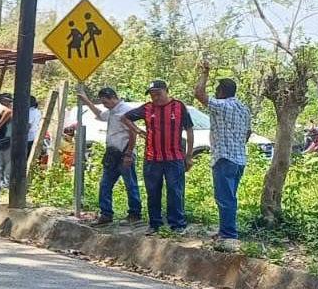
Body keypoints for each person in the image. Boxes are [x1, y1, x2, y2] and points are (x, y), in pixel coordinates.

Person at [121, 80, 195, 236]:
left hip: (174, 157)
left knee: (175, 191)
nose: (155, 97)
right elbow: (125, 118)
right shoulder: (147, 108)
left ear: (166, 91)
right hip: (152, 158)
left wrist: (189, 155)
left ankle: (177, 225)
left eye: (158, 94)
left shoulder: (178, 106)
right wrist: (137, 130)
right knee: (153, 192)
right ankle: (155, 224)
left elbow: (189, 130)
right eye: (152, 94)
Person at [194, 61, 251, 248]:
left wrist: (205, 73)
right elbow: (248, 133)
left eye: (217, 90)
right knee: (230, 197)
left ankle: (228, 235)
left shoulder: (221, 106)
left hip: (224, 158)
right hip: (239, 159)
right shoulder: (244, 108)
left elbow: (199, 94)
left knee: (225, 198)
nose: (216, 93)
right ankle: (225, 230)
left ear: (222, 91)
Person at [77, 85, 142, 225]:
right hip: (112, 153)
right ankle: (106, 214)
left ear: (113, 98)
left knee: (130, 184)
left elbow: (133, 133)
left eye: (106, 102)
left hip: (124, 152)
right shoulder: (112, 111)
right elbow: (101, 115)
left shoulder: (125, 111)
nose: (105, 105)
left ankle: (135, 214)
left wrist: (129, 154)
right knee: (105, 185)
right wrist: (86, 101)